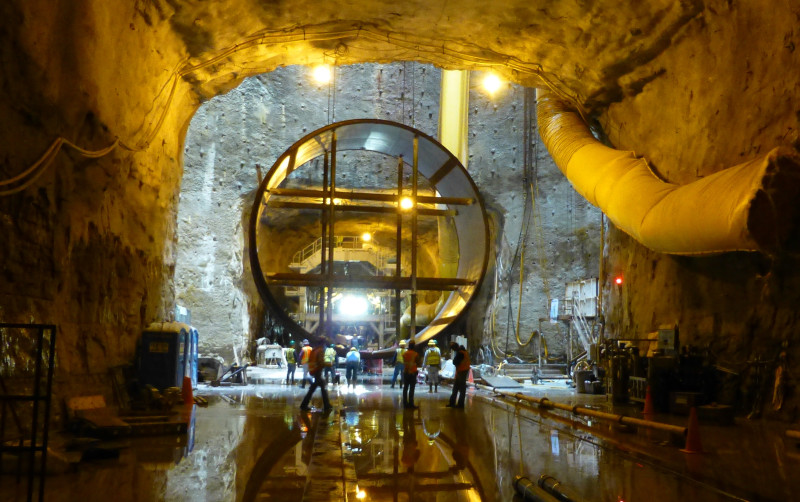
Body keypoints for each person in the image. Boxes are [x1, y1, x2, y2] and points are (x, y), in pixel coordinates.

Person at [299, 338, 332, 412]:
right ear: (323, 343)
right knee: (318, 388)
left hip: (313, 370)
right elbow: (321, 362)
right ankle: (326, 405)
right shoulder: (320, 350)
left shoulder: (314, 350)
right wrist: (328, 364)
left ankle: (326, 405)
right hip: (318, 371)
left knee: (318, 388)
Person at [447, 342, 470, 409]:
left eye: (453, 349)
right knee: (456, 388)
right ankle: (454, 403)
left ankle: (459, 404)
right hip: (462, 371)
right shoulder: (464, 352)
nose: (453, 350)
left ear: (455, 347)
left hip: (461, 372)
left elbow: (455, 362)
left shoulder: (460, 353)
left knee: (461, 389)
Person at [402, 340, 420, 409]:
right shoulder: (415, 354)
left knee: (405, 388)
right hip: (413, 373)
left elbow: (405, 362)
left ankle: (405, 403)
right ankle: (411, 404)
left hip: (406, 372)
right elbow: (418, 362)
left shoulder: (405, 354)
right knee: (412, 389)